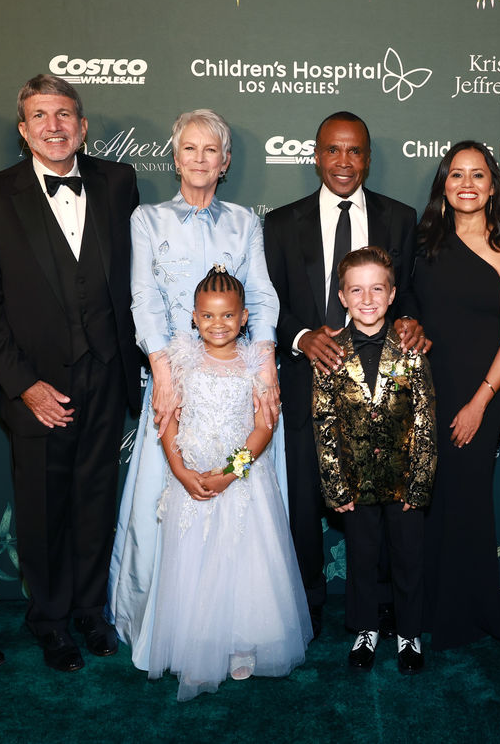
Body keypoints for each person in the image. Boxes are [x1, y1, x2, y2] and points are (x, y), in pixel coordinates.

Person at [0, 75, 141, 673]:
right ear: (23, 130)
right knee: (41, 509)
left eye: (64, 113)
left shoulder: (119, 182)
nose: (54, 125)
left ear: (83, 126)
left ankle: (91, 610)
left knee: (96, 500)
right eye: (40, 115)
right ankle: (49, 619)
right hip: (35, 384)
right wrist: (23, 385)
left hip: (107, 376)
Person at [108, 109, 280, 670]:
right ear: (176, 156)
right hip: (175, 384)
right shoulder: (147, 219)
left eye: (212, 151)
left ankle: (238, 631)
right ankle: (167, 630)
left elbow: (262, 294)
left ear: (225, 162)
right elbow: (143, 299)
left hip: (237, 386)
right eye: (190, 149)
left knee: (241, 513)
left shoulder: (245, 224)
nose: (201, 159)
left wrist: (268, 364)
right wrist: (164, 373)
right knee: (169, 507)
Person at [264, 111, 428, 636]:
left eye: (354, 151)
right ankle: (307, 602)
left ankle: (382, 607)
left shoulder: (401, 218)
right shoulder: (282, 222)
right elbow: (268, 302)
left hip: (382, 387)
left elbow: (414, 294)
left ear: (368, 158)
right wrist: (300, 338)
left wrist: (410, 320)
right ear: (316, 155)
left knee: (382, 502)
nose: (343, 161)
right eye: (333, 150)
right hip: (304, 381)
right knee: (306, 496)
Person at [145, 266, 311, 700]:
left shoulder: (256, 364)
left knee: (244, 560)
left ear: (243, 318)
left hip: (241, 481)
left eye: (227, 316)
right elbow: (168, 421)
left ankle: (242, 642)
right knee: (195, 560)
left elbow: (263, 427)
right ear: (194, 317)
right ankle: (198, 644)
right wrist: (181, 472)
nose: (217, 325)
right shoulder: (180, 358)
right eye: (207, 316)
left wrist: (231, 472)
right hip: (193, 476)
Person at [413, 141, 500, 650]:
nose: (467, 184)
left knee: (466, 497)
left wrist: (480, 401)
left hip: (481, 390)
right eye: (457, 174)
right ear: (444, 183)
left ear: (492, 185)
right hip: (424, 388)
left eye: (477, 175)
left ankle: (470, 611)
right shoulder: (423, 245)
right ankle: (428, 605)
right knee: (428, 499)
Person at [312, 247, 437, 674]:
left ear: (393, 293)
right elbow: (323, 420)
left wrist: (420, 483)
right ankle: (365, 628)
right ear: (343, 296)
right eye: (357, 290)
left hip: (404, 482)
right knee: (362, 558)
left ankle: (409, 633)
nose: (367, 299)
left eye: (377, 289)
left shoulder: (411, 349)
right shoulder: (329, 352)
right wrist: (335, 484)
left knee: (408, 558)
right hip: (356, 482)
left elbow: (425, 417)